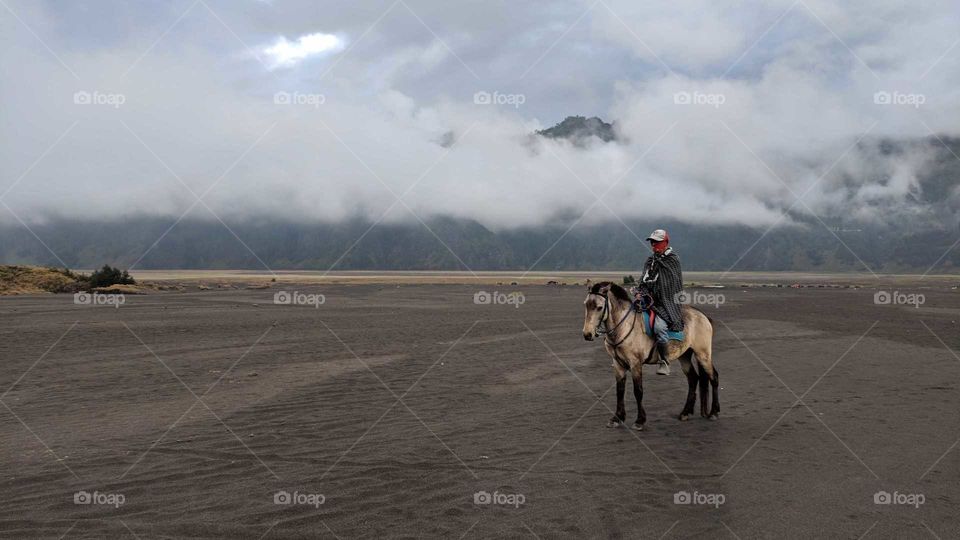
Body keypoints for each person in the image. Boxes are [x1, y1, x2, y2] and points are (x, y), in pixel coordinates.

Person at [640, 229, 684, 375]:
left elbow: (671, 284)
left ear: (665, 243)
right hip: (648, 300)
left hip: (667, 302)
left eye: (657, 242)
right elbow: (644, 280)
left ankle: (665, 361)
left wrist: (656, 294)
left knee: (659, 327)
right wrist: (641, 291)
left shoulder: (672, 260)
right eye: (652, 242)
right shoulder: (650, 260)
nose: (654, 245)